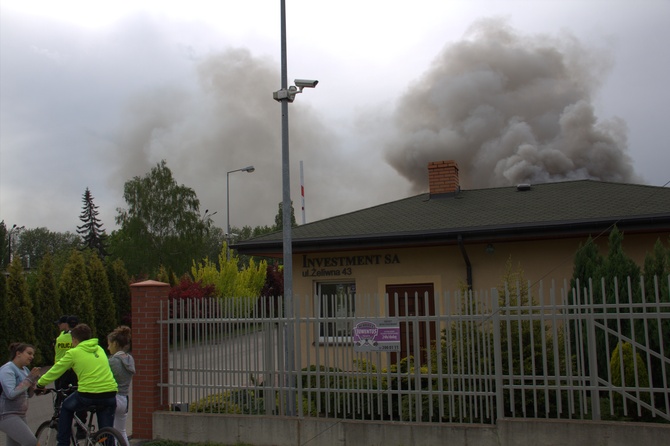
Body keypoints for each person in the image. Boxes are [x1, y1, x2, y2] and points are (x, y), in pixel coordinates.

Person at [36, 324, 117, 446]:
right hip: (110, 393)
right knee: (106, 435)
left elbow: (56, 370)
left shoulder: (74, 353)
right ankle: (107, 440)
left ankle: (63, 443)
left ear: (74, 339)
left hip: (88, 394)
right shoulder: (99, 349)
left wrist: (40, 384)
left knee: (66, 407)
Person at [0, 343, 41, 446]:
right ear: (18, 353)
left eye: (33, 354)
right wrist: (30, 379)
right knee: (31, 442)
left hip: (20, 415)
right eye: (29, 353)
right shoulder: (7, 369)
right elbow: (11, 394)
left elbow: (29, 394)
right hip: (6, 415)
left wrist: (34, 385)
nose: (32, 357)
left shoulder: (25, 370)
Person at [107, 326, 135, 445]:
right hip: (124, 398)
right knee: (121, 431)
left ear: (115, 344)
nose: (108, 348)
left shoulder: (112, 361)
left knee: (110, 431)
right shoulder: (129, 359)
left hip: (113, 397)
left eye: (109, 344)